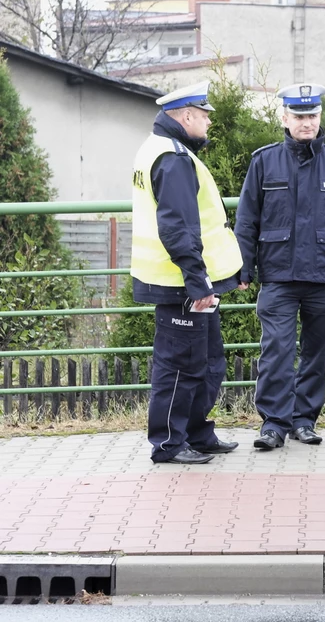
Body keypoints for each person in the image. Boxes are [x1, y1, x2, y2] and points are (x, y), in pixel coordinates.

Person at [234, 83, 325, 450]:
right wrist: (243, 269)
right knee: (277, 349)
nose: (306, 122)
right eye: (299, 116)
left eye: (312, 115)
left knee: (317, 351)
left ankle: (304, 420)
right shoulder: (264, 161)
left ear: (320, 117)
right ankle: (274, 424)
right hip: (278, 274)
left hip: (324, 275)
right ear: (285, 117)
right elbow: (247, 220)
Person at [130, 80, 244, 464]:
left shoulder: (162, 149)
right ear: (188, 115)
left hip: (186, 280)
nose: (210, 122)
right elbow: (178, 227)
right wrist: (197, 282)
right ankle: (169, 444)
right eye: (206, 115)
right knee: (180, 367)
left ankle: (197, 434)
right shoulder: (173, 157)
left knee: (207, 362)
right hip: (179, 283)